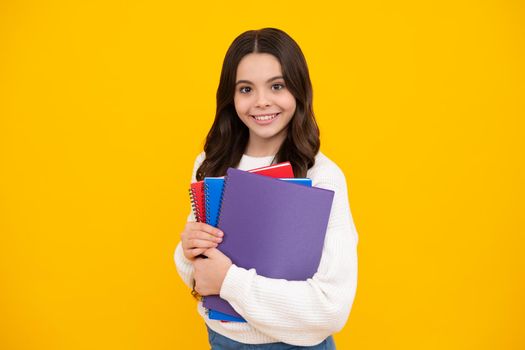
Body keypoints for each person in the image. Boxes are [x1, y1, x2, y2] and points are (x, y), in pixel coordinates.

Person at [174, 27, 358, 349]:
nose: (261, 102)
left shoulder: (324, 177)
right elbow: (198, 275)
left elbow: (332, 307)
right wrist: (187, 251)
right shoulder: (210, 162)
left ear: (298, 90)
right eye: (246, 89)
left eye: (277, 86)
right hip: (221, 340)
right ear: (230, 97)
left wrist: (230, 281)